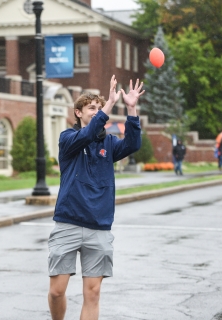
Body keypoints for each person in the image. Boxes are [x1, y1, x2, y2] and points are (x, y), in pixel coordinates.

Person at [47, 75, 144, 320]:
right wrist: (110, 105)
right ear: (78, 113)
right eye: (92, 108)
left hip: (99, 226)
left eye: (100, 108)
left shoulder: (109, 144)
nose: (97, 112)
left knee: (93, 293)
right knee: (57, 292)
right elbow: (87, 134)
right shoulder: (68, 139)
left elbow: (133, 144)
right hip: (67, 223)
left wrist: (131, 108)